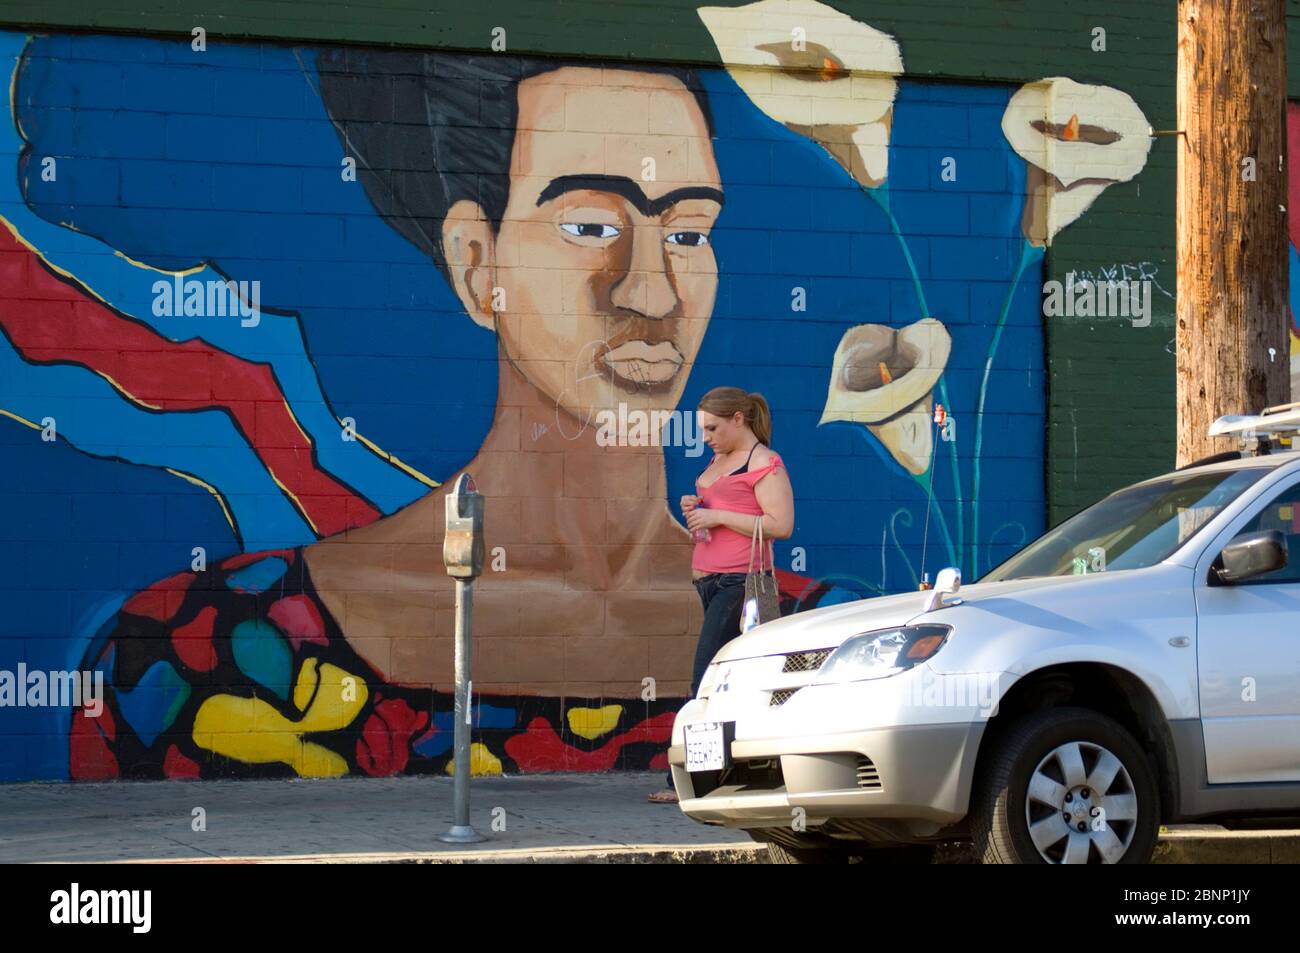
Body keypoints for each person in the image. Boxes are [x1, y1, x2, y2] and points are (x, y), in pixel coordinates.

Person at [648, 387, 794, 803]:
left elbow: (781, 524)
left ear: (738, 419)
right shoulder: (719, 460)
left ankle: (695, 782)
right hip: (710, 582)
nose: (706, 436)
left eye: (712, 428)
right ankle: (739, 772)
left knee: (705, 680)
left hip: (740, 583)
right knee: (731, 681)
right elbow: (723, 517)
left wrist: (716, 515)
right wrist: (696, 509)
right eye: (702, 429)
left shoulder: (765, 463)